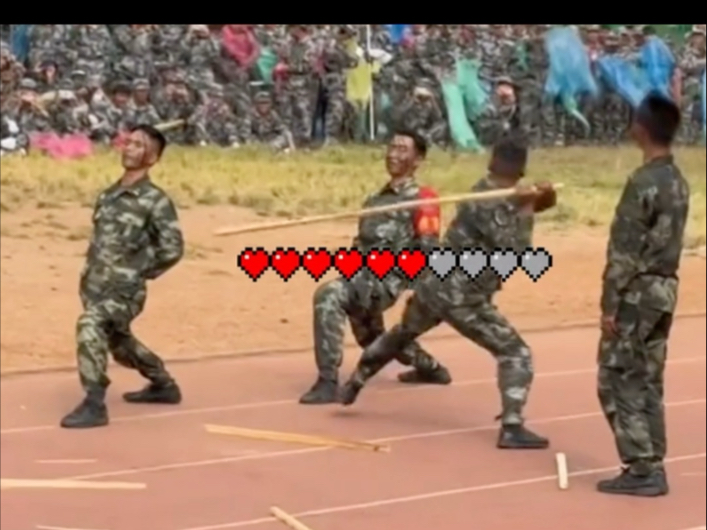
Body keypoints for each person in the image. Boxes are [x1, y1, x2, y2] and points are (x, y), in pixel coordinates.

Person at [339, 135, 556, 450]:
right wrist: (525, 207)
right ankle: (512, 425)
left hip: (433, 285)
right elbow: (515, 252)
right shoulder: (489, 200)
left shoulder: (488, 191)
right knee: (515, 352)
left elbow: (525, 206)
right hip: (462, 295)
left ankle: (356, 381)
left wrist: (542, 198)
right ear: (520, 170)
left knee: (402, 333)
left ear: (492, 163)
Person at [299, 129, 452, 405]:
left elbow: (429, 250)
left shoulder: (424, 198)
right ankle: (431, 368)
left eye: (403, 149)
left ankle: (327, 382)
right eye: (391, 147)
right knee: (374, 341)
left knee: (329, 295)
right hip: (361, 276)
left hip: (387, 280)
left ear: (418, 160)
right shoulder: (374, 200)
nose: (393, 154)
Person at [60, 124, 185, 429]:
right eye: (128, 142)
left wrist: (139, 271)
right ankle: (163, 384)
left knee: (90, 326)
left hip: (124, 290)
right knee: (118, 342)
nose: (129, 148)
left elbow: (172, 248)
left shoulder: (155, 200)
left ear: (152, 157)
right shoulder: (108, 195)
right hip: (94, 285)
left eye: (138, 145)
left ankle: (94, 403)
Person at [595, 93, 688, 496]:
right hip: (664, 288)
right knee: (648, 377)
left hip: (638, 291)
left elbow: (624, 251)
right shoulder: (677, 180)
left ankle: (641, 465)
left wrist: (610, 304)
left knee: (616, 377)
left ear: (642, 129)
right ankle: (652, 459)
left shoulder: (643, 182)